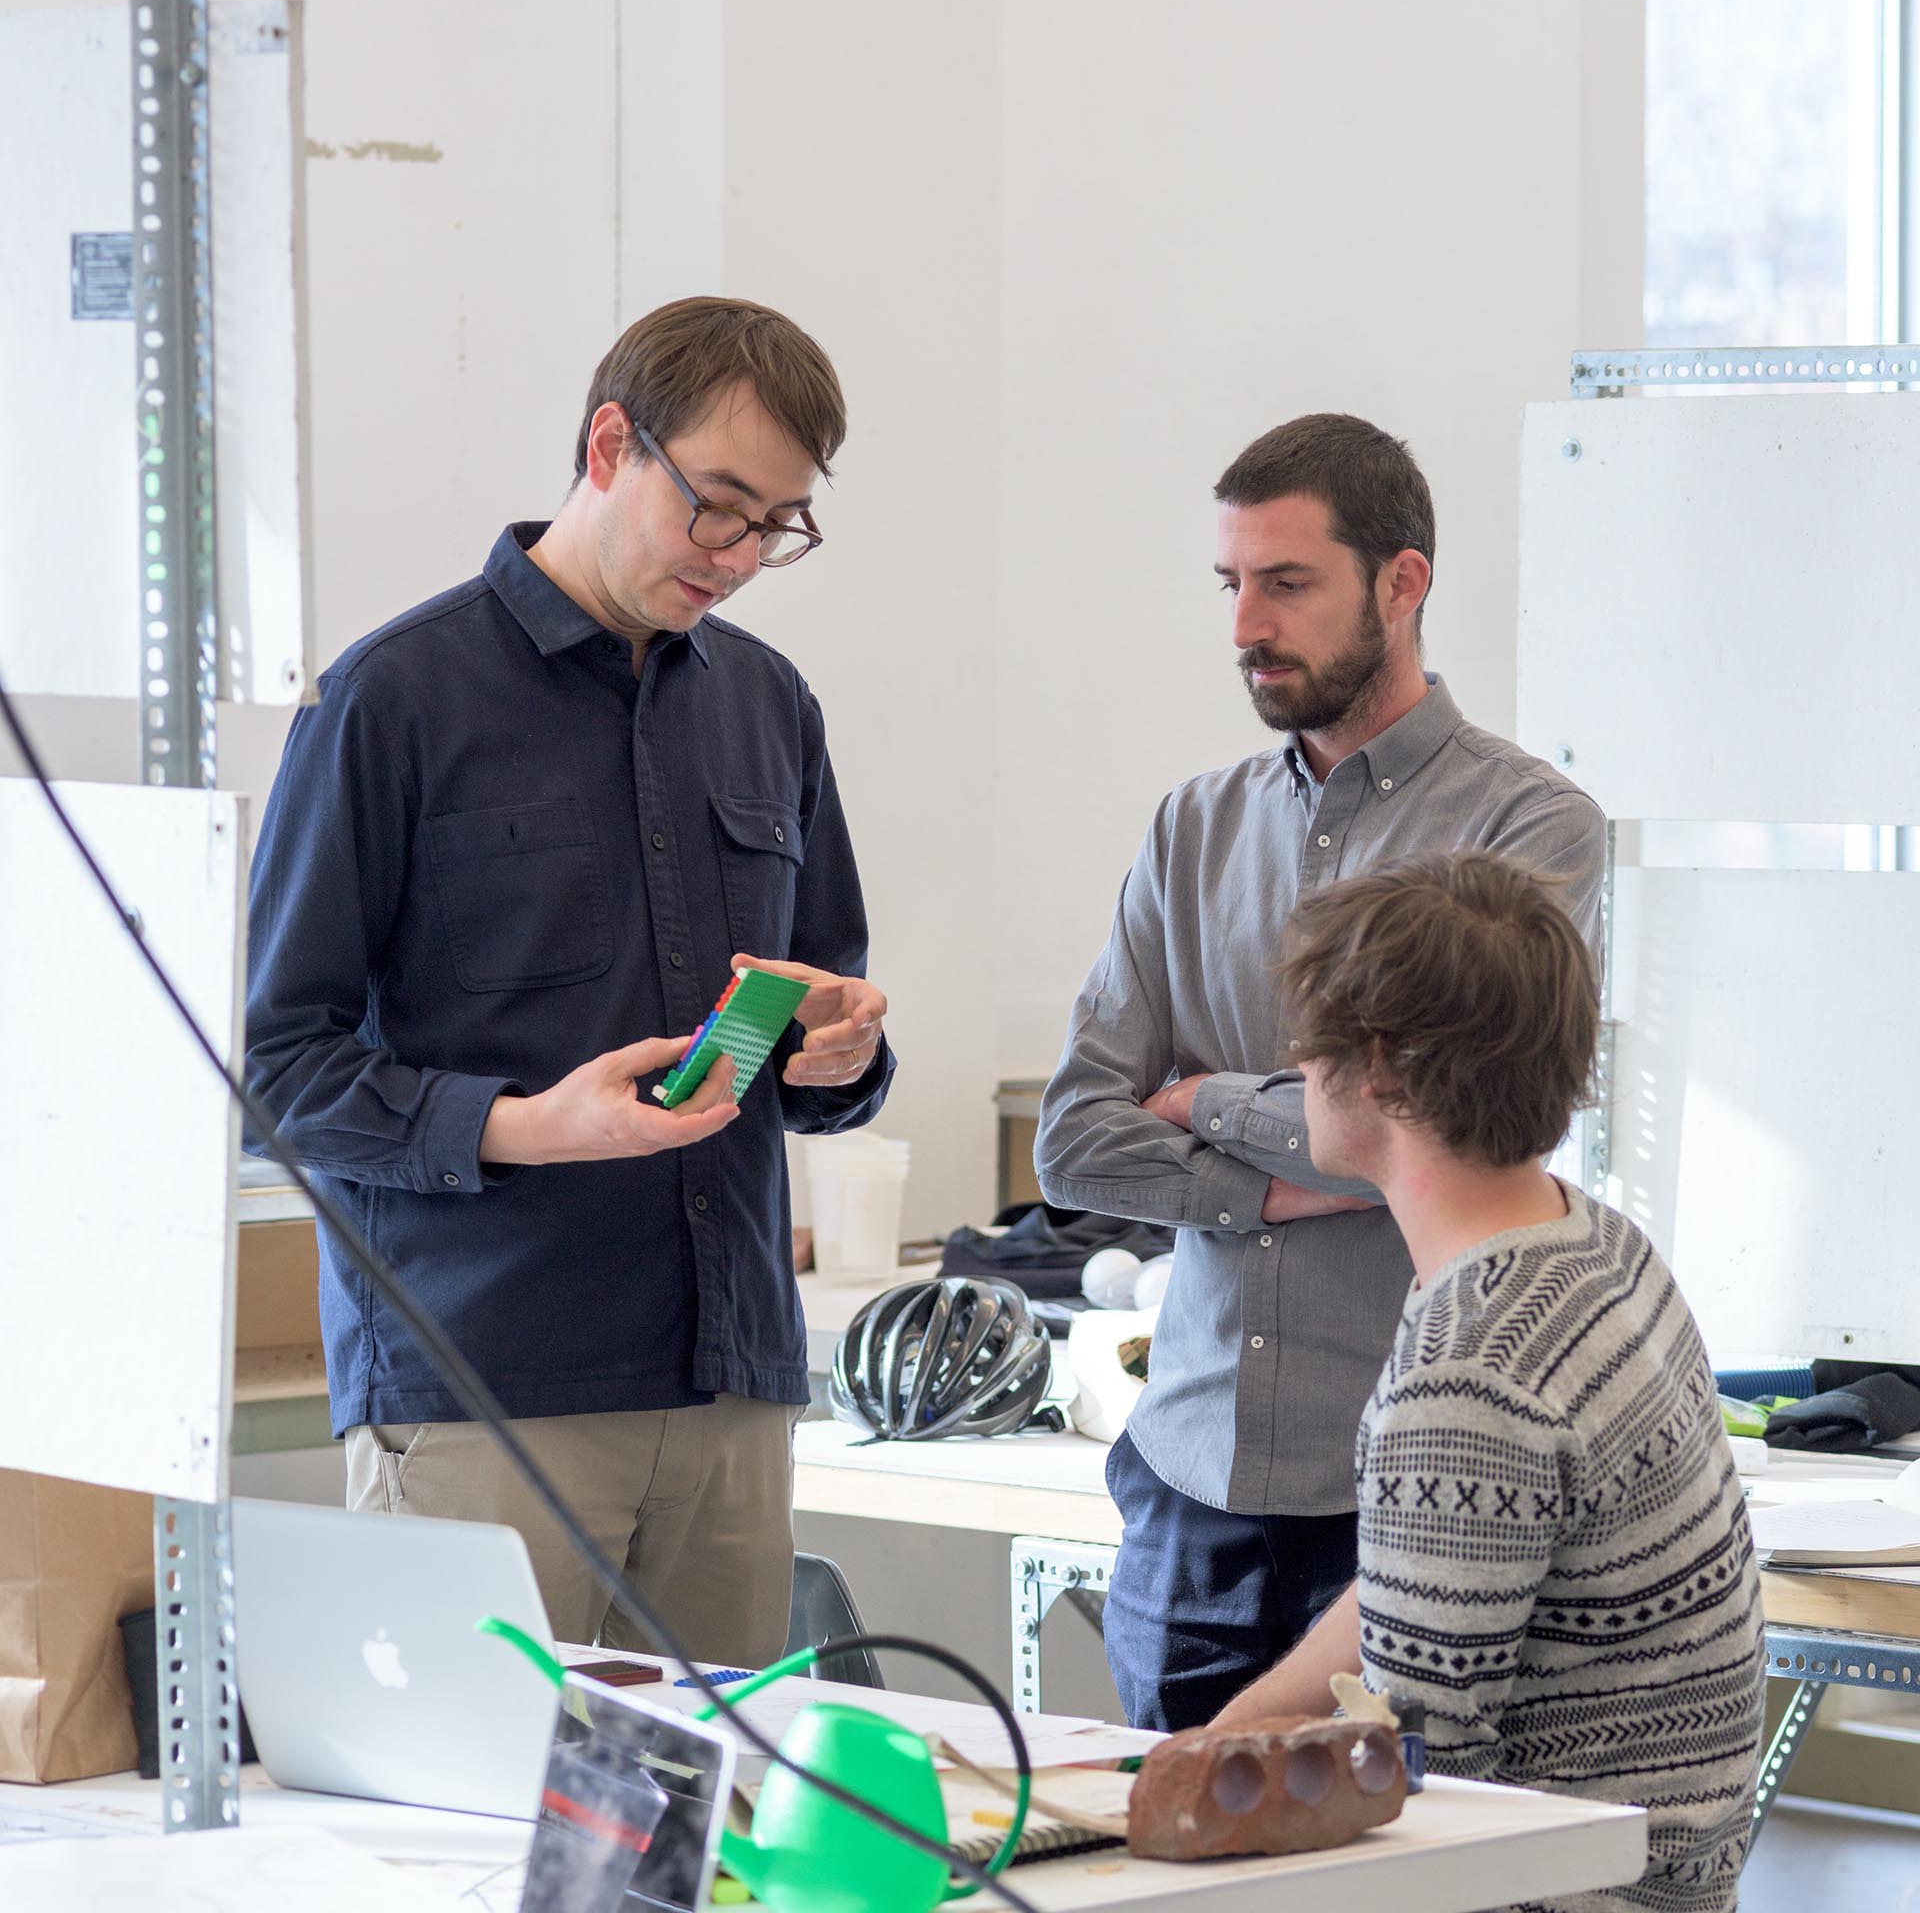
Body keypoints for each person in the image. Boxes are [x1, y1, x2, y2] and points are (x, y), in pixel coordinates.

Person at [246, 296, 893, 1661]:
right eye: (717, 508)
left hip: (731, 1385)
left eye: (777, 526)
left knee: (715, 1797)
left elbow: (821, 1008)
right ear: (610, 445)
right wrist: (529, 1127)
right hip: (484, 1385)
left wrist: (843, 1052)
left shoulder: (769, 705)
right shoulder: (392, 700)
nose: (739, 557)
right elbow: (275, 1071)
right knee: (478, 1796)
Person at [1034, 413, 1606, 1731]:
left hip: (1411, 1492)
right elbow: (1072, 1139)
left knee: (1410, 1862)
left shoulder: (1530, 829)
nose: (1248, 625)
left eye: (1287, 583)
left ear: (1402, 583)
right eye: (1232, 584)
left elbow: (1463, 1129)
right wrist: (1278, 1186)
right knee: (1166, 1852)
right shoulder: (1192, 827)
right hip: (1190, 1484)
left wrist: (1201, 1101)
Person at [1209, 850, 1766, 1913]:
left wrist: (1144, 1831)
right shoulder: (1588, 1242)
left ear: (1374, 1066)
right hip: (1639, 1890)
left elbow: (1417, 1768)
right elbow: (1412, 1605)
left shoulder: (1471, 1370)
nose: (1295, 1067)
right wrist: (1222, 1737)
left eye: (1308, 1042)